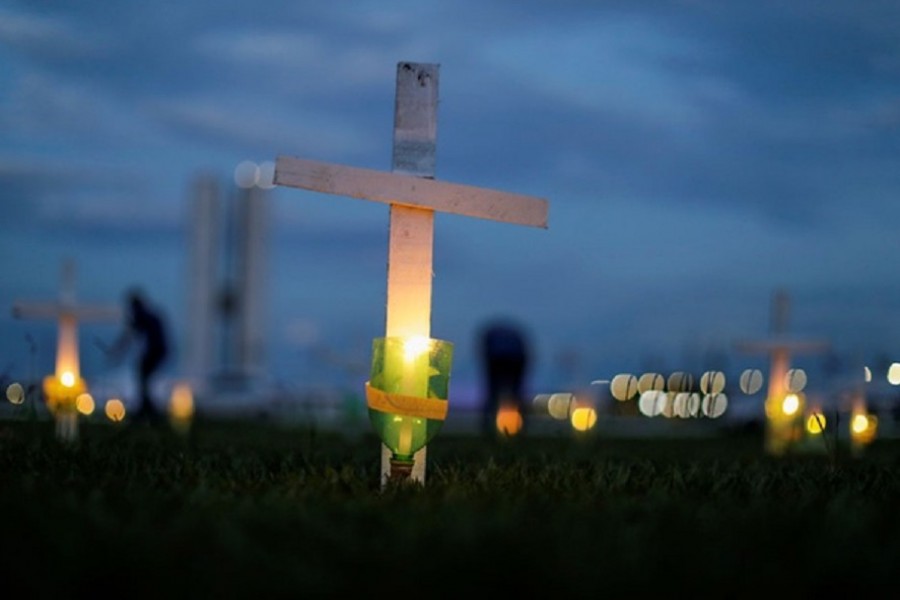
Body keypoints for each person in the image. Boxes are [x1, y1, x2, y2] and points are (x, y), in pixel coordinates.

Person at [108, 288, 170, 424]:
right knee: (143, 380)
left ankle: (147, 411)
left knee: (143, 380)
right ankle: (146, 410)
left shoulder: (142, 316)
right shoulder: (150, 315)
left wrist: (115, 352)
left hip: (155, 351)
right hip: (158, 352)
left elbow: (127, 337)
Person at [478, 319, 531, 438]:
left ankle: (488, 428)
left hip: (501, 358)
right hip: (513, 358)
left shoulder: (492, 335)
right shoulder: (509, 337)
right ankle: (521, 429)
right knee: (515, 395)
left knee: (495, 394)